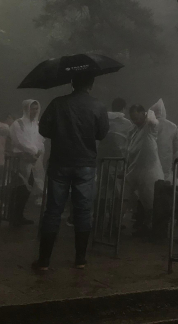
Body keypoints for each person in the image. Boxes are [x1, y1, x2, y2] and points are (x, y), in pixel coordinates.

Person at [33, 74, 109, 271]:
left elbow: (43, 129)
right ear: (91, 85)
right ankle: (81, 259)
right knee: (83, 210)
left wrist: (60, 133)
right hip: (85, 164)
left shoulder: (58, 103)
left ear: (72, 83)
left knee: (53, 210)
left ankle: (44, 261)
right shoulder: (98, 106)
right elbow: (102, 133)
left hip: (60, 162)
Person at [124, 104, 164, 236]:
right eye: (132, 118)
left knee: (150, 200)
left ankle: (151, 228)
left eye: (137, 117)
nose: (135, 121)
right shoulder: (134, 130)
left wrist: (149, 114)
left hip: (150, 170)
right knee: (128, 196)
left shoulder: (149, 126)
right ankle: (117, 223)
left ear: (143, 114)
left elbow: (153, 122)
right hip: (135, 169)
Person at [9, 99, 44, 227]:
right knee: (19, 188)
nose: (34, 111)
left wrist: (38, 152)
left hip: (34, 161)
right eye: (32, 108)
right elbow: (19, 141)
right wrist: (33, 150)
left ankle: (19, 215)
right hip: (21, 160)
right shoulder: (18, 124)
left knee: (27, 189)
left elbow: (40, 140)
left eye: (36, 108)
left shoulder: (37, 124)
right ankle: (13, 216)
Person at [149, 99, 178, 184]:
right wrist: (175, 162)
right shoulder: (172, 126)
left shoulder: (148, 124)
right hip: (167, 164)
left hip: (149, 162)